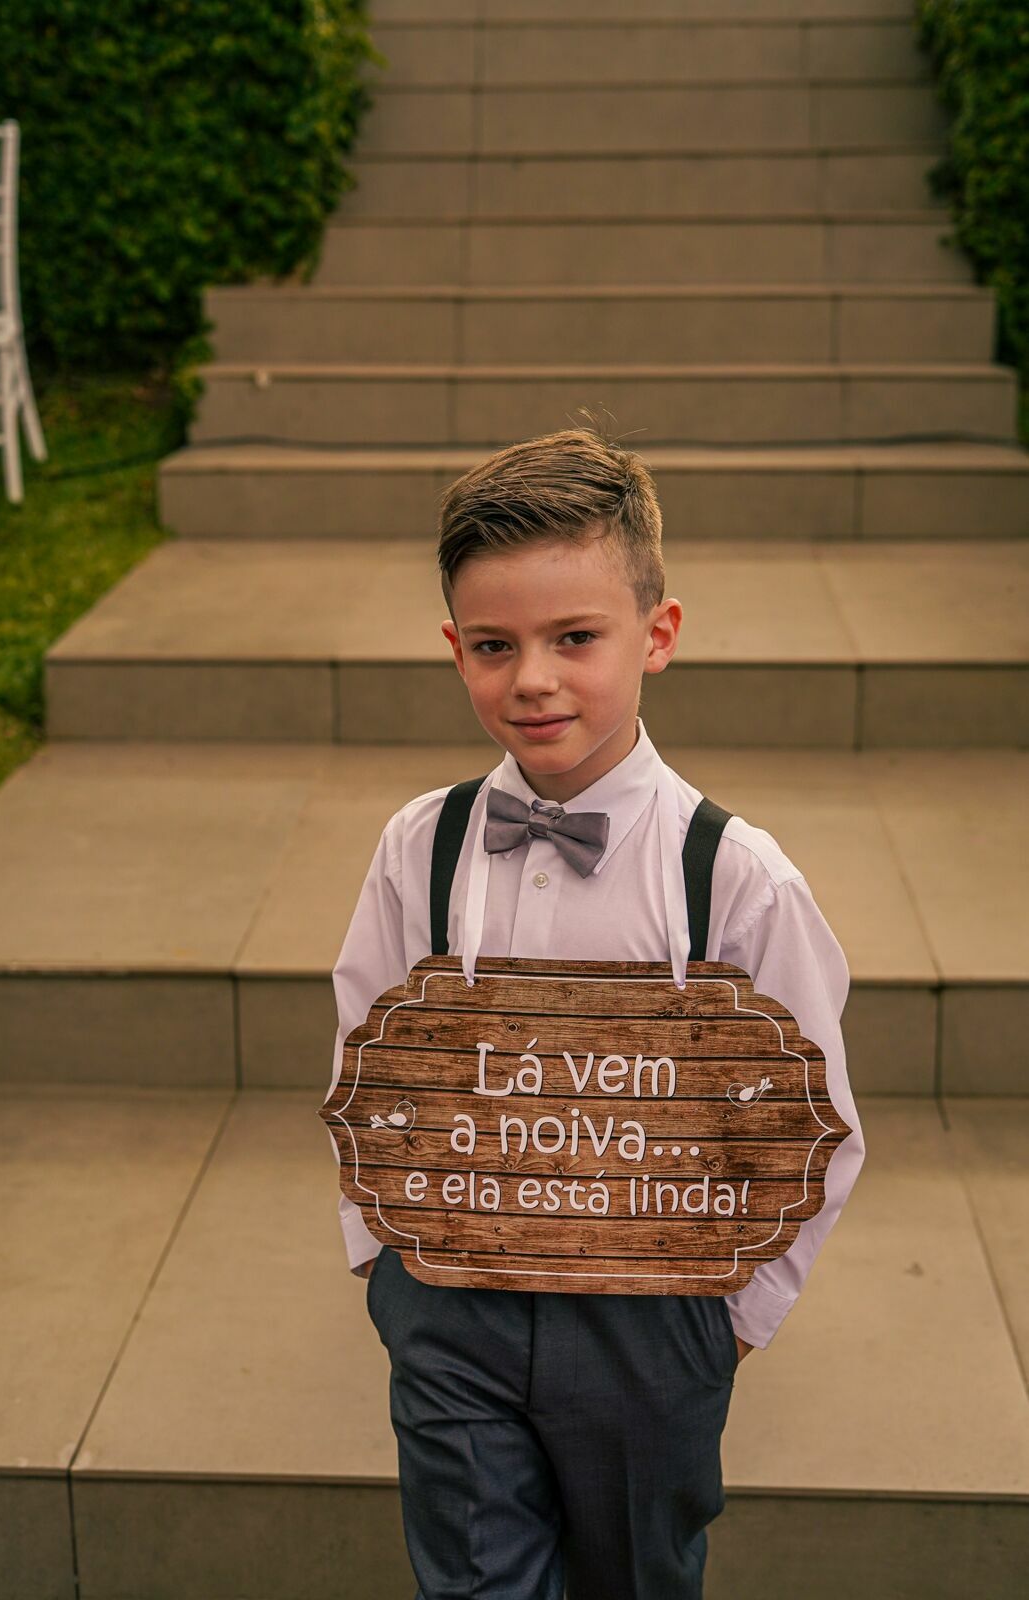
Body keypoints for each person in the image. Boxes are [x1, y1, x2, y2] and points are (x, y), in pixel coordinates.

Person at [322, 425, 866, 1600]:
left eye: (574, 638)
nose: (531, 677)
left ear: (655, 636)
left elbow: (804, 1123)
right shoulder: (422, 845)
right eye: (492, 644)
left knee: (635, 1573)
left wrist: (722, 1325)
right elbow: (369, 1048)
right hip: (453, 1300)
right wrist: (384, 1261)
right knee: (471, 1580)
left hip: (645, 1324)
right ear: (453, 649)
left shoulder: (731, 874)